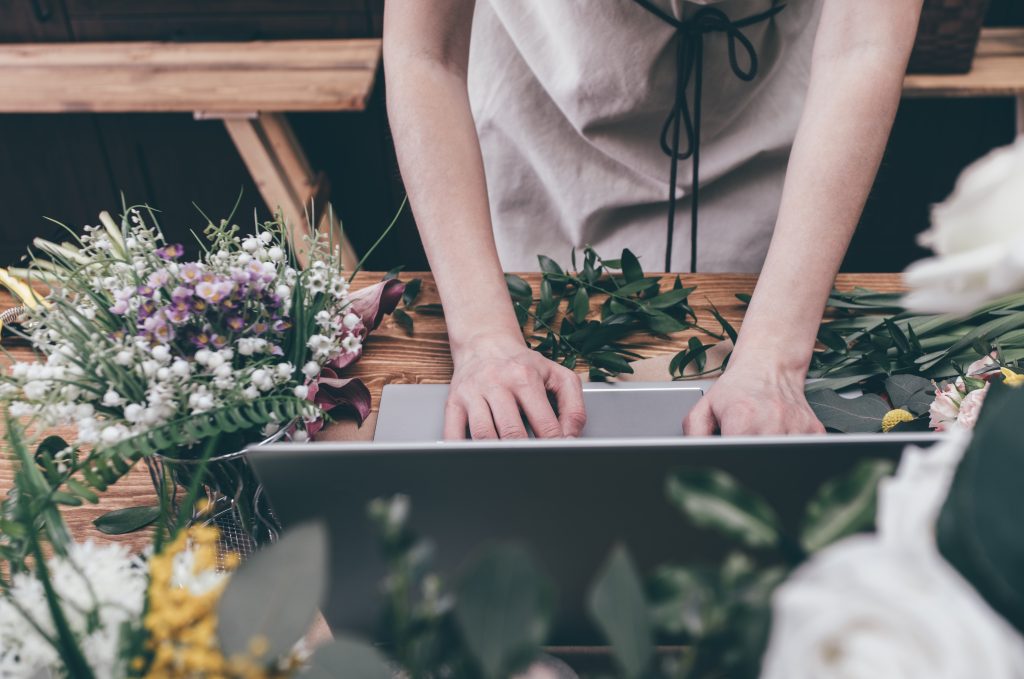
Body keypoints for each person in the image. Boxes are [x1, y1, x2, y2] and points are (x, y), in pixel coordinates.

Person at [383, 0, 924, 439]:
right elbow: (425, 52)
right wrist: (483, 341)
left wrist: (773, 363)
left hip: (770, 101)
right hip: (548, 100)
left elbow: (863, 45)